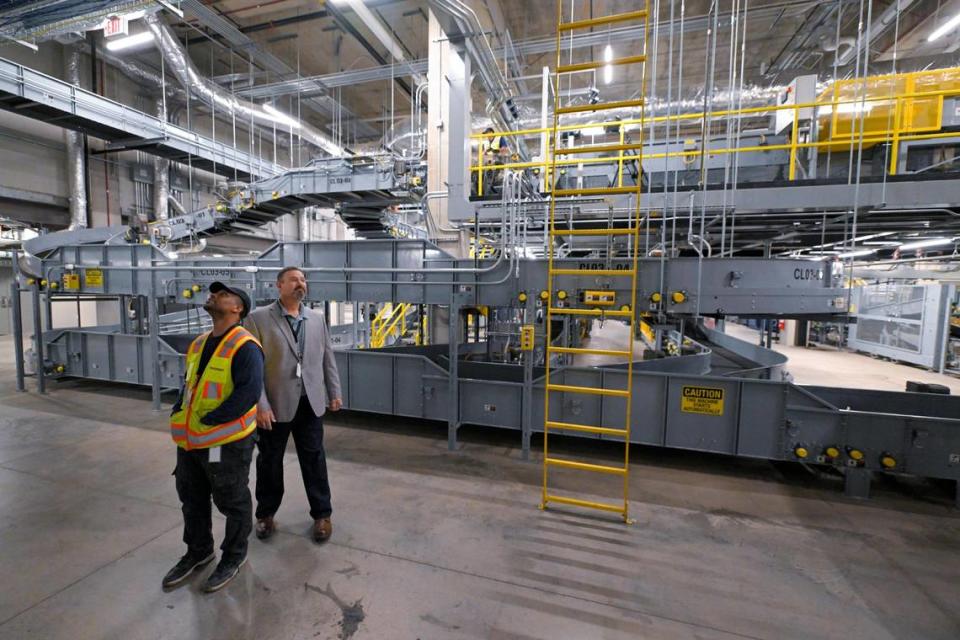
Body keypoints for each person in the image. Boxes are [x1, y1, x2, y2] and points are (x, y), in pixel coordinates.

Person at [163, 282, 264, 593]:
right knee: (191, 499)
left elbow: (248, 395)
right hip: (190, 441)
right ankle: (198, 551)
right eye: (215, 293)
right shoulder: (199, 343)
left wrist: (210, 420)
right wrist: (180, 410)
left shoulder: (245, 346)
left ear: (238, 309)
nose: (215, 296)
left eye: (223, 294)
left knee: (232, 500)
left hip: (224, 442)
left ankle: (234, 555)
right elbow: (190, 386)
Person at [244, 266, 343, 544]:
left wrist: (334, 390)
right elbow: (252, 368)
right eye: (293, 280)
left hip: (310, 402)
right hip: (274, 405)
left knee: (314, 459)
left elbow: (327, 358)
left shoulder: (316, 318)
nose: (300, 284)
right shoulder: (258, 319)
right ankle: (265, 515)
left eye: (303, 280)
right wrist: (260, 404)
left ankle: (322, 515)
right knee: (269, 462)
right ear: (279, 285)